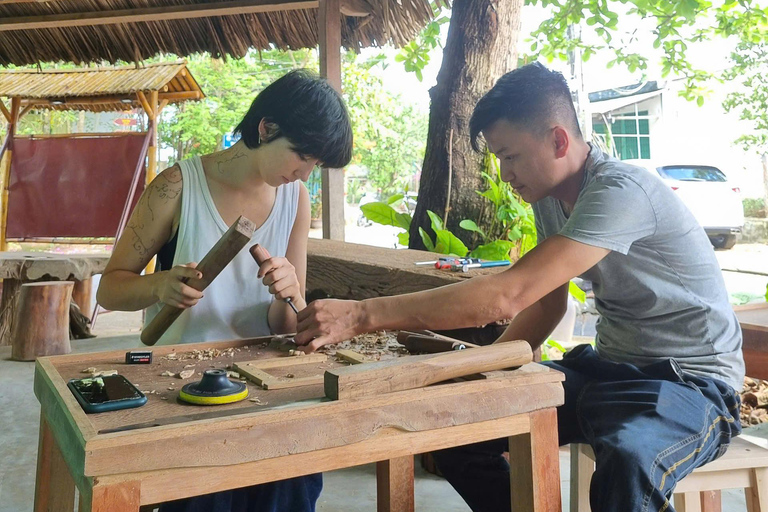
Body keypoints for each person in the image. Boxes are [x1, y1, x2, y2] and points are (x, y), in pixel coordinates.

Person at [294, 63, 743, 512]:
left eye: (510, 156)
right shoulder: (553, 199)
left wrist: (359, 315)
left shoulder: (620, 192)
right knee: (456, 428)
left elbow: (507, 294)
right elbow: (546, 304)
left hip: (691, 385)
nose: (505, 174)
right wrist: (491, 376)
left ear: (558, 140)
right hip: (609, 372)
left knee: (629, 463)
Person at [97, 69, 353, 512]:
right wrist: (160, 285)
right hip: (184, 385)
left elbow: (289, 325)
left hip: (267, 385)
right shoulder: (179, 186)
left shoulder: (295, 199)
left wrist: (287, 295)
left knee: (291, 489)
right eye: (302, 157)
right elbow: (109, 291)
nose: (304, 173)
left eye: (315, 165)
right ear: (266, 128)